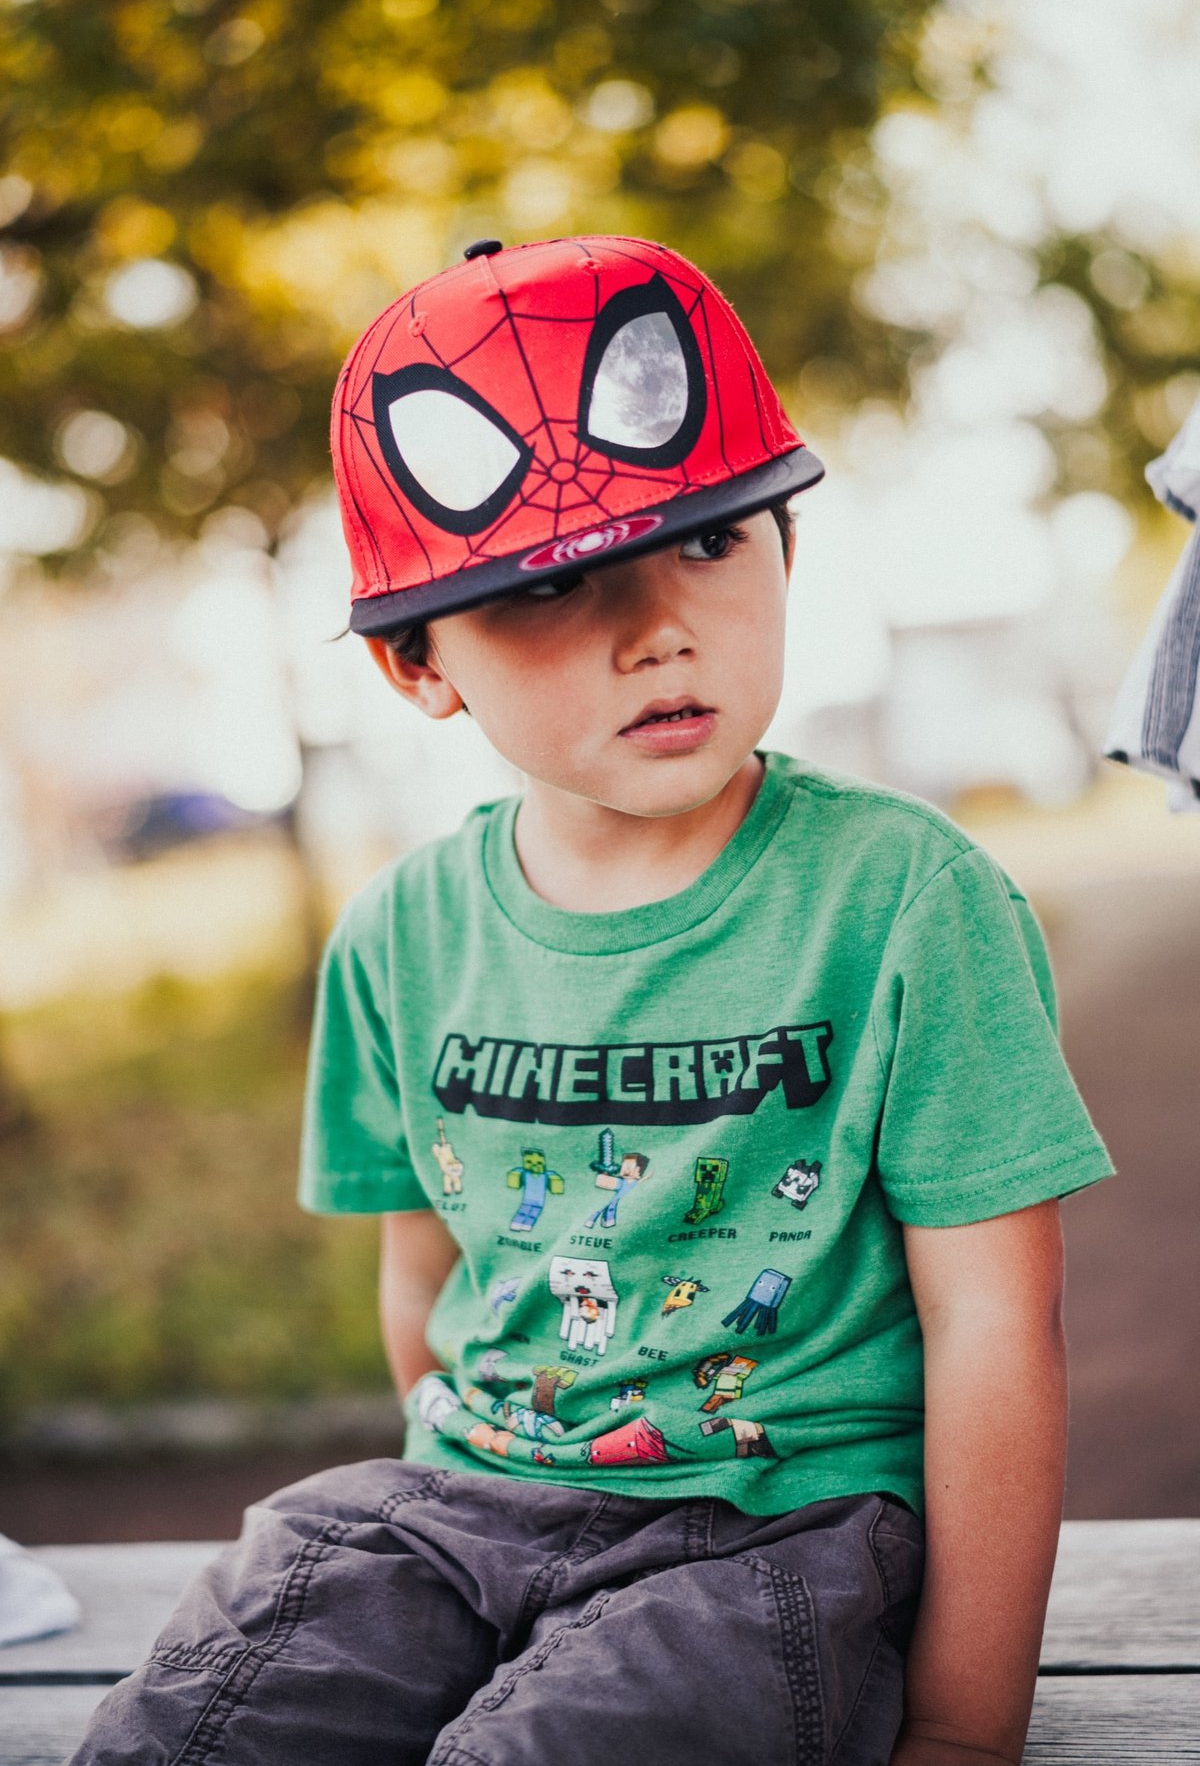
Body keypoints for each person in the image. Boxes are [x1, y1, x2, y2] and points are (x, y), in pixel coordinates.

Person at [68, 235, 1114, 1766]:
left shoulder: (905, 900)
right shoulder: (400, 934)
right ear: (418, 666)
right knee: (184, 1731)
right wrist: (479, 1500)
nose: (656, 628)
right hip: (454, 1511)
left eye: (707, 543)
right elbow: (421, 1291)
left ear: (787, 548)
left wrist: (964, 1727)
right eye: (556, 583)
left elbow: (997, 1328)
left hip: (767, 1533)